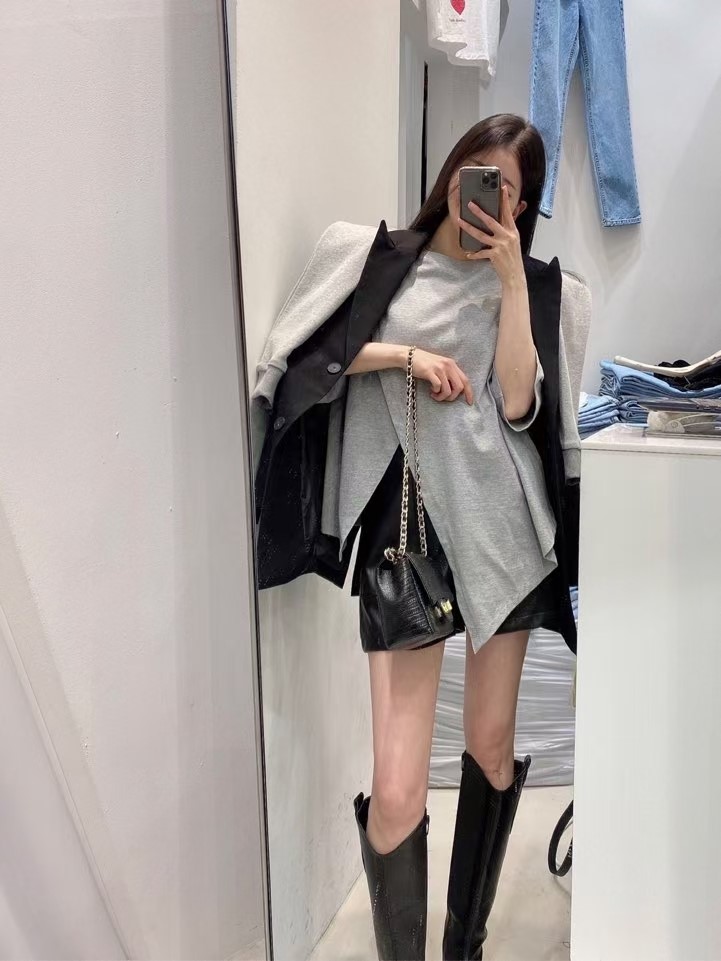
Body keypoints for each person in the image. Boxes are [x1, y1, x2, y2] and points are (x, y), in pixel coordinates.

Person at [252, 114, 589, 961]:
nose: (486, 195)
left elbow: (519, 404)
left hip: (504, 531)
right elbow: (306, 357)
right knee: (398, 788)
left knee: (490, 744)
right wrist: (403, 357)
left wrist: (511, 283)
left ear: (522, 206)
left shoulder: (534, 288)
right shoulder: (376, 259)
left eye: (506, 189)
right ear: (451, 169)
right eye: (478, 171)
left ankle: (463, 945)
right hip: (406, 530)